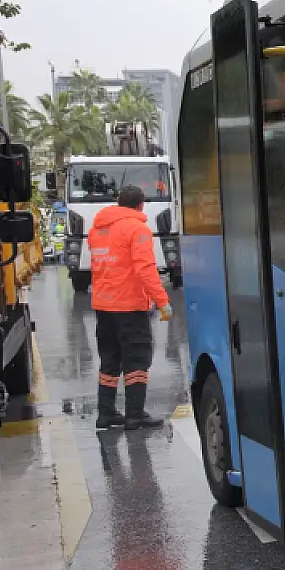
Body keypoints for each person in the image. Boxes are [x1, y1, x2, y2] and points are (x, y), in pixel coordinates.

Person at [90, 184, 172, 430]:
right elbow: (145, 268)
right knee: (136, 359)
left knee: (109, 360)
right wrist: (162, 301)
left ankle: (106, 413)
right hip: (129, 307)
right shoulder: (138, 229)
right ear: (141, 204)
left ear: (118, 202)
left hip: (104, 306)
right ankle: (135, 415)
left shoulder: (97, 229)